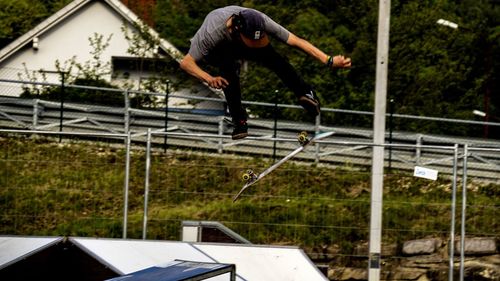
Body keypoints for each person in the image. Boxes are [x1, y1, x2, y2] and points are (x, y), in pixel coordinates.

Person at [180, 6, 351, 140]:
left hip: (244, 40)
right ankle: (239, 120)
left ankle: (305, 93)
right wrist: (209, 78)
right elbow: (186, 63)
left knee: (277, 60)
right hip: (218, 50)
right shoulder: (211, 33)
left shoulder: (261, 20)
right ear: (236, 28)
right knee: (227, 72)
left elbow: (296, 41)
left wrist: (329, 60)